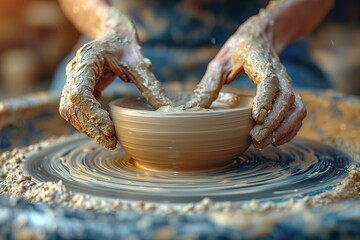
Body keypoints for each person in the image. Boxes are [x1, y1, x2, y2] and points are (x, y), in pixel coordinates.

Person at [57, 0, 333, 150]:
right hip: (124, 44)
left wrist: (268, 31)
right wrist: (107, 25)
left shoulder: (266, 35)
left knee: (302, 119)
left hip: (263, 41)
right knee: (71, 110)